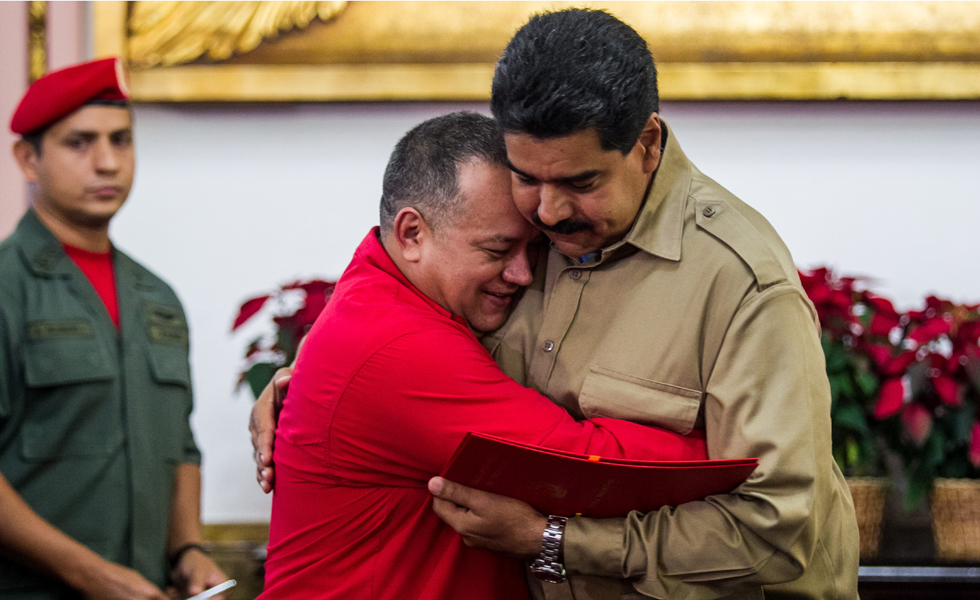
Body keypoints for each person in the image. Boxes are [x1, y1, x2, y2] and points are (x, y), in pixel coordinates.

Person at [252, 9, 859, 599]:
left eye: (580, 183)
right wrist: (303, 387)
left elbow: (774, 525)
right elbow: (410, 348)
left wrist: (554, 541)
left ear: (646, 143)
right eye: (526, 177)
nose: (547, 211)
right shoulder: (531, 237)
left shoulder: (739, 280)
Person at [258, 112, 710, 600]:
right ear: (412, 234)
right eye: (497, 250)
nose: (521, 274)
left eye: (533, 250)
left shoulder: (377, 300)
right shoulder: (399, 344)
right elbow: (585, 466)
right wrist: (753, 450)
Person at [0, 58, 227, 600]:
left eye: (121, 141)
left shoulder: (158, 299)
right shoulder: (7, 286)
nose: (107, 163)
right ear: (28, 159)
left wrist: (186, 549)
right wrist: (89, 574)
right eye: (80, 143)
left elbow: (181, 448)